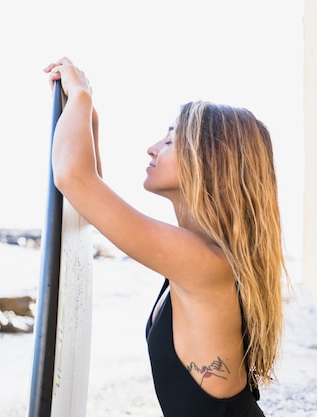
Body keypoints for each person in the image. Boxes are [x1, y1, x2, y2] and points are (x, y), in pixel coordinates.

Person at [44, 57, 285, 417]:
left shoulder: (202, 261)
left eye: (170, 141)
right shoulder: (201, 256)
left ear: (207, 162)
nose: (153, 148)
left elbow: (75, 179)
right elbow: (90, 193)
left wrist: (80, 95)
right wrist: (89, 114)